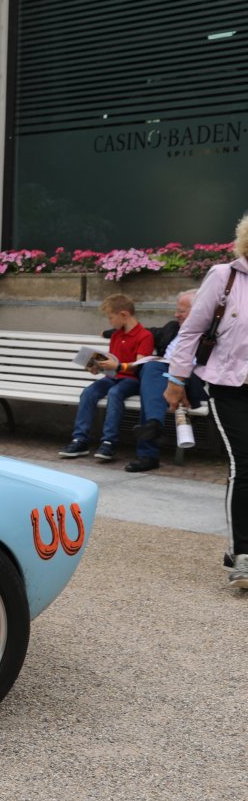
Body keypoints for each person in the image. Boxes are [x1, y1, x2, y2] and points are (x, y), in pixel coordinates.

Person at [163, 214, 248, 590]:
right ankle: (244, 554)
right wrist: (176, 379)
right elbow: (191, 331)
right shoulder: (225, 276)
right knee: (245, 464)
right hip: (230, 387)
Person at [59, 294, 154, 463]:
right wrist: (97, 367)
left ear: (123, 315)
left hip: (132, 380)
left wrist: (116, 366)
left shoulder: (145, 336)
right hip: (113, 377)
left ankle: (109, 442)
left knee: (115, 393)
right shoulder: (116, 335)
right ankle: (80, 439)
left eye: (111, 318)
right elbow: (112, 360)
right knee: (89, 392)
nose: (109, 322)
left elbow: (139, 365)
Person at [126, 289, 205, 473]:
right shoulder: (173, 328)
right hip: (163, 380)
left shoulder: (211, 334)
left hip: (190, 383)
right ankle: (154, 425)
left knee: (152, 378)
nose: (176, 315)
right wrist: (113, 330)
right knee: (152, 374)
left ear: (199, 310)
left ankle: (148, 452)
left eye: (181, 311)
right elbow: (148, 332)